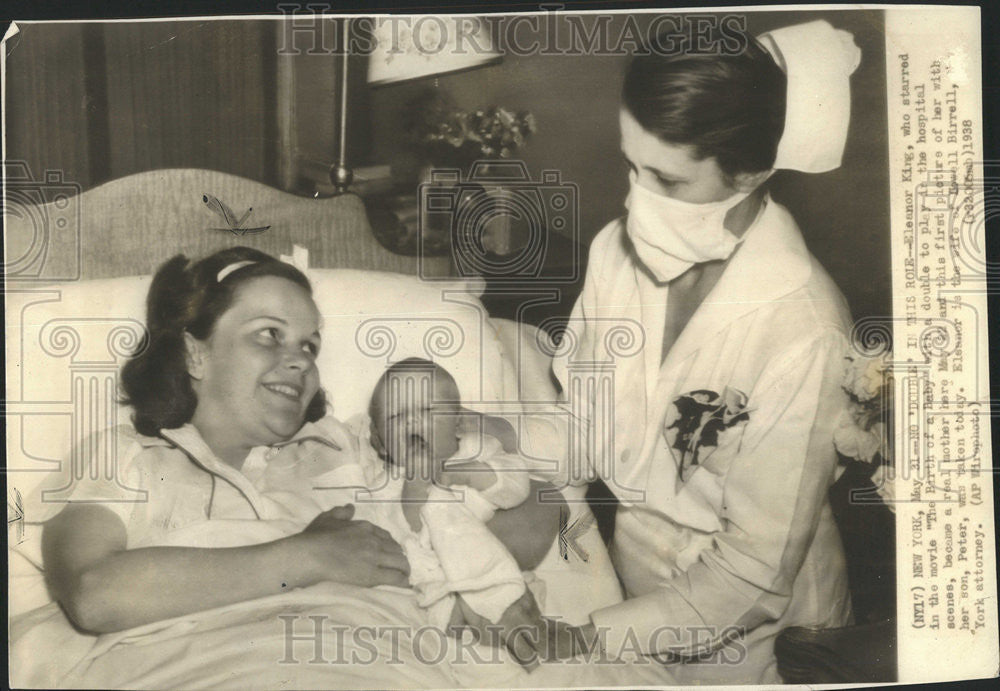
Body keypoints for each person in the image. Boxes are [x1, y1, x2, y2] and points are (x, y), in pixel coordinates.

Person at [527, 20, 863, 683]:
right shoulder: (612, 256)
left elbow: (750, 575)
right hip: (635, 590)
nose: (634, 199)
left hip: (766, 638)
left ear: (752, 172)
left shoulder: (803, 328)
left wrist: (583, 638)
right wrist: (489, 454)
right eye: (631, 164)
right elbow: (586, 429)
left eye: (667, 179)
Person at [37, 247, 560, 643]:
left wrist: (467, 455)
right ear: (196, 354)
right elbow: (92, 594)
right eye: (269, 334)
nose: (302, 360)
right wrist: (308, 557)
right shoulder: (125, 458)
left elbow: (534, 525)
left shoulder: (362, 447)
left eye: (309, 345)